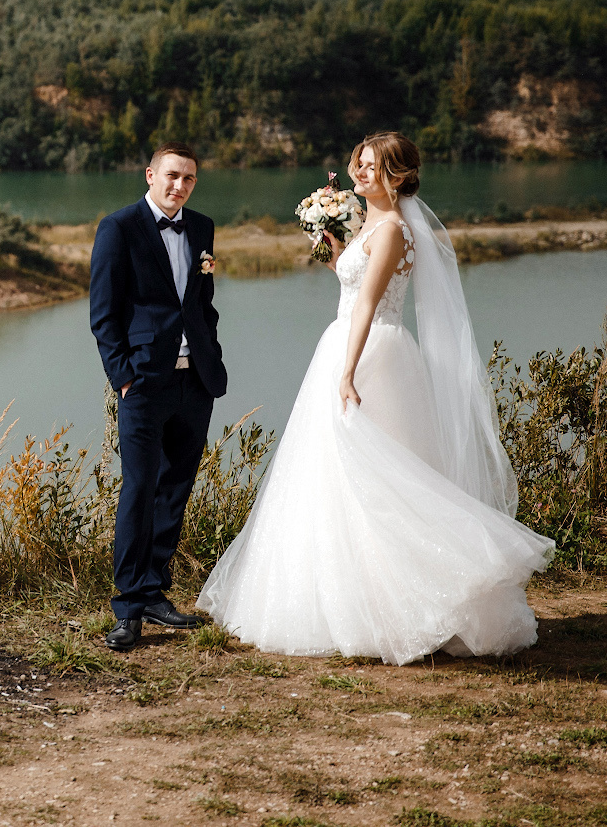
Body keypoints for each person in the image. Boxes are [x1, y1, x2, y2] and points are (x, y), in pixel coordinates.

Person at [196, 132, 554, 663]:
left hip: (368, 352)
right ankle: (357, 599)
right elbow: (351, 281)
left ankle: (412, 599)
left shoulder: (391, 230)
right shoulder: (371, 226)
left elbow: (367, 304)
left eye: (373, 168)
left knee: (381, 475)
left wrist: (346, 371)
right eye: (358, 165)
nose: (360, 174)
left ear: (399, 177)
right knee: (344, 474)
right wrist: (332, 246)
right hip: (352, 343)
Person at [88, 143, 227, 652]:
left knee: (175, 488)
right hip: (143, 382)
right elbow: (103, 313)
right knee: (139, 488)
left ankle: (155, 591)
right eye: (171, 175)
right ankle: (128, 608)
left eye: (189, 179)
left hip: (196, 382)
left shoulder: (204, 227)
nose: (179, 186)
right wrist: (122, 376)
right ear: (150, 174)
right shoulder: (118, 228)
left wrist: (212, 352)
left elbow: (203, 304)